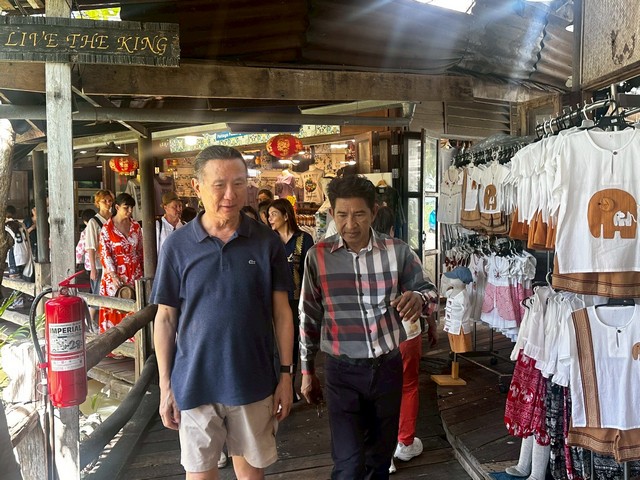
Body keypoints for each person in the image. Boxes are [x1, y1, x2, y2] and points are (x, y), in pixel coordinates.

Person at [151, 145, 294, 480]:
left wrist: (286, 375)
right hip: (193, 383)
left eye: (239, 183)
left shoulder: (266, 242)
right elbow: (166, 318)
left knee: (251, 475)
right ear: (197, 187)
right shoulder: (177, 246)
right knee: (200, 475)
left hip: (253, 381)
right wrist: (165, 385)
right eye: (219, 185)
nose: (230, 194)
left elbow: (282, 313)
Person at [299, 175, 438, 480]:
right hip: (342, 372)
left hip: (387, 369)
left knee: (379, 461)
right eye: (342, 215)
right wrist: (307, 372)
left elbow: (430, 291)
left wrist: (418, 298)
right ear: (332, 214)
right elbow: (308, 316)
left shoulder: (398, 251)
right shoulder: (317, 257)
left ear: (374, 212)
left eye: (359, 214)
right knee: (348, 465)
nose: (350, 224)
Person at [371, 206, 438, 474]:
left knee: (377, 390)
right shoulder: (404, 252)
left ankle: (383, 453)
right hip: (407, 331)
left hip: (374, 336)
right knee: (408, 386)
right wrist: (431, 323)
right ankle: (405, 442)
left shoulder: (357, 256)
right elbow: (425, 292)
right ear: (392, 229)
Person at [268, 198, 314, 400]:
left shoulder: (304, 239)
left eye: (274, 214)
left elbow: (309, 272)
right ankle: (275, 387)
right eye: (268, 215)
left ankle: (289, 386)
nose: (270, 218)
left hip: (296, 300)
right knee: (274, 344)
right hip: (273, 301)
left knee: (293, 342)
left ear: (286, 216)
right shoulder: (269, 240)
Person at [98, 193, 144, 336]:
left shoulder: (136, 226)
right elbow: (105, 254)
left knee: (135, 311)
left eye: (131, 208)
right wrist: (113, 275)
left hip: (135, 274)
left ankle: (135, 343)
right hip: (115, 276)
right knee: (115, 310)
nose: (130, 211)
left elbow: (141, 250)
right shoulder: (107, 228)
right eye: (126, 207)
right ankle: (113, 345)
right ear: (117, 207)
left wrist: (144, 272)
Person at [85, 190, 114, 295]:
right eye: (104, 201)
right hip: (99, 263)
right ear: (98, 203)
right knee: (98, 294)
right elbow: (90, 246)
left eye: (109, 200)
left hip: (114, 261)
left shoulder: (114, 219)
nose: (107, 203)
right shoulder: (93, 222)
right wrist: (93, 268)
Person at [4, 205, 33, 309]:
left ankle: (19, 301)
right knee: (22, 277)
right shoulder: (21, 224)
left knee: (15, 279)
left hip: (15, 254)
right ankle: (24, 297)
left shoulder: (6, 227)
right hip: (25, 252)